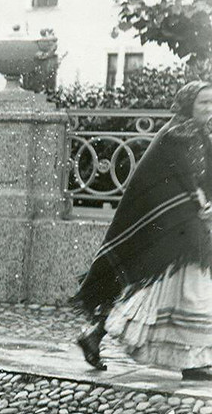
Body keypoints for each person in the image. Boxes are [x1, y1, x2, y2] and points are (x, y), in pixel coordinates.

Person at [73, 80, 212, 380]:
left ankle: (96, 334)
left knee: (166, 290)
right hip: (172, 225)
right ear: (189, 105)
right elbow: (170, 178)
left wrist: (206, 199)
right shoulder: (173, 135)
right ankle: (191, 361)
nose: (209, 109)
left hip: (189, 224)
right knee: (178, 289)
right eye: (204, 104)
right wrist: (196, 198)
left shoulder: (202, 135)